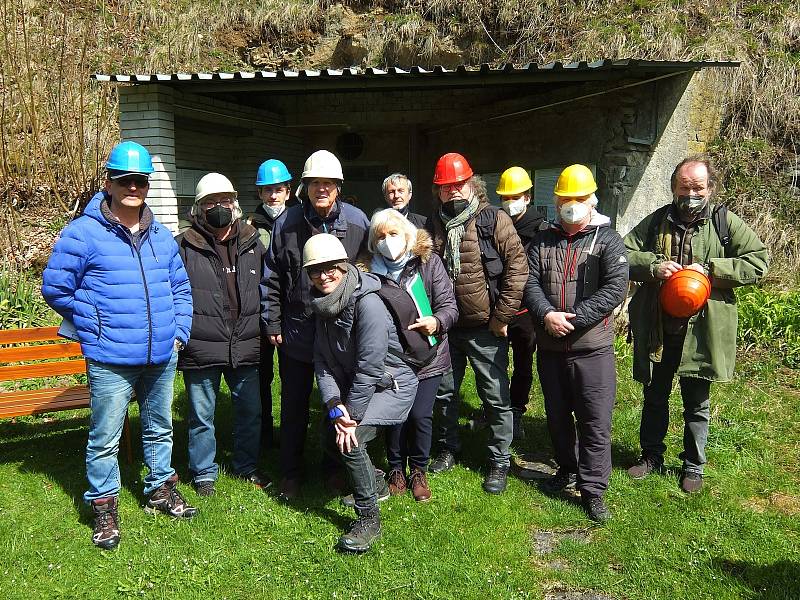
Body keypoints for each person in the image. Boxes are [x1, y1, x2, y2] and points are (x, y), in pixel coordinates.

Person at [41, 141, 196, 550]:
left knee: (159, 429)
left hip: (160, 355)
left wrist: (179, 331)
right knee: (105, 437)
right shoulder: (84, 233)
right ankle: (105, 507)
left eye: (140, 181)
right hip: (110, 357)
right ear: (108, 182)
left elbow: (180, 287)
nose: (133, 187)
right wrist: (92, 321)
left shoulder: (162, 236)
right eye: (125, 180)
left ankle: (160, 487)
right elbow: (56, 287)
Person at [625, 156, 768, 493]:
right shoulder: (657, 220)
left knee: (696, 402)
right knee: (655, 394)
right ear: (674, 187)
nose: (690, 193)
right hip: (660, 328)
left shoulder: (724, 222)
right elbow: (622, 252)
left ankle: (693, 466)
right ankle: (651, 456)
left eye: (697, 187)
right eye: (684, 187)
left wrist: (714, 270)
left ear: (709, 188)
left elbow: (758, 261)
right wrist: (653, 266)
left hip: (700, 331)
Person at [262, 150, 370, 499]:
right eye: (314, 183)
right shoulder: (286, 224)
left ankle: (335, 467)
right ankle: (291, 472)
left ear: (338, 187)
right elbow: (272, 277)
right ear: (305, 187)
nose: (321, 189)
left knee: (335, 402)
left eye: (328, 183)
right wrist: (273, 321)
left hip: (341, 332)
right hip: (296, 328)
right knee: (293, 405)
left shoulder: (357, 223)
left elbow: (369, 271)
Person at [524, 164, 628, 522]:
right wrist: (546, 315)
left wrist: (576, 317)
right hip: (551, 348)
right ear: (556, 201)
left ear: (591, 200)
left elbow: (615, 287)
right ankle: (566, 469)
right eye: (566, 199)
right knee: (557, 417)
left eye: (579, 199)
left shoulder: (608, 239)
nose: (572, 205)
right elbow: (529, 283)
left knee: (594, 420)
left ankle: (593, 489)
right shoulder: (543, 239)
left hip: (591, 348)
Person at [305, 233, 418, 552]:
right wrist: (333, 403)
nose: (324, 275)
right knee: (331, 433)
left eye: (330, 268)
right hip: (357, 387)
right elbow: (321, 360)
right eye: (315, 270)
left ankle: (368, 517)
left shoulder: (367, 303)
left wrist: (350, 417)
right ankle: (377, 482)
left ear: (343, 267)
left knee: (350, 440)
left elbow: (370, 367)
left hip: (391, 385)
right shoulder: (321, 304)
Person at [426, 152, 528, 494]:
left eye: (459, 184)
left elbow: (518, 268)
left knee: (496, 397)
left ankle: (499, 461)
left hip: (486, 327)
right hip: (446, 328)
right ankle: (447, 448)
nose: (453, 192)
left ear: (472, 185)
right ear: (437, 191)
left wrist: (503, 317)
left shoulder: (493, 219)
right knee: (444, 393)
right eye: (446, 187)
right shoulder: (433, 225)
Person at [177, 172, 270, 497]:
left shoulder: (253, 242)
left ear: (235, 204)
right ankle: (203, 473)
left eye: (224, 201)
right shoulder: (184, 246)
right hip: (201, 345)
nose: (218, 207)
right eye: (210, 202)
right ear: (198, 209)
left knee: (250, 411)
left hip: (244, 342)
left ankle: (245, 466)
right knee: (202, 416)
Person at [359, 209, 458, 502]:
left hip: (430, 355)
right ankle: (395, 469)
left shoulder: (429, 263)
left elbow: (449, 305)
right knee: (394, 416)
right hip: (391, 359)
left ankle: (418, 469)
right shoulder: (368, 272)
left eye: (393, 234)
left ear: (407, 235)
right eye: (380, 236)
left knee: (420, 414)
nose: (387, 241)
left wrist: (437, 321)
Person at [496, 166, 545, 441]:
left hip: (526, 310)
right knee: (495, 362)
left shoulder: (540, 230)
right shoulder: (496, 225)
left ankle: (517, 411)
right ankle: (497, 410)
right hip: (499, 306)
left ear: (527, 197)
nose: (510, 201)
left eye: (516, 196)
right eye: (505, 196)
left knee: (523, 362)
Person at [247, 159, 292, 448]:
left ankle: (291, 433)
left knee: (292, 379)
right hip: (258, 311)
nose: (273, 196)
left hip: (291, 313)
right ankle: (263, 434)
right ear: (260, 194)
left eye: (278, 189)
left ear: (288, 191)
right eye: (267, 191)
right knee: (260, 378)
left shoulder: (298, 221)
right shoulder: (249, 227)